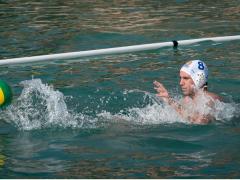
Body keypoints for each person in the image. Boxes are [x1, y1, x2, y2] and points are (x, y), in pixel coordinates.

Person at [153, 60, 221, 124]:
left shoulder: (210, 99)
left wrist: (171, 102)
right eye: (181, 78)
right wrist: (167, 99)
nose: (181, 83)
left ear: (199, 79)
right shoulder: (186, 100)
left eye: (185, 78)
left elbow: (200, 121)